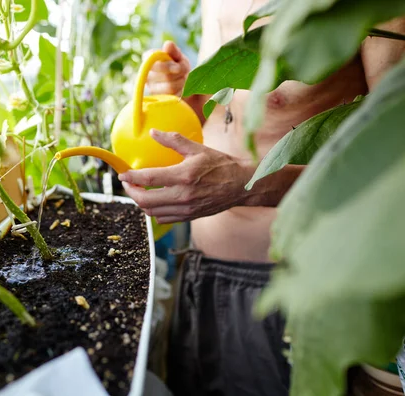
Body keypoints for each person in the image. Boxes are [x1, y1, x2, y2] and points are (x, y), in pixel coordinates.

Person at [118, 1, 405, 395]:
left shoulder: (377, 9)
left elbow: (392, 167)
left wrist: (244, 184)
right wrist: (189, 97)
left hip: (284, 293)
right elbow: (228, 117)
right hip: (200, 273)